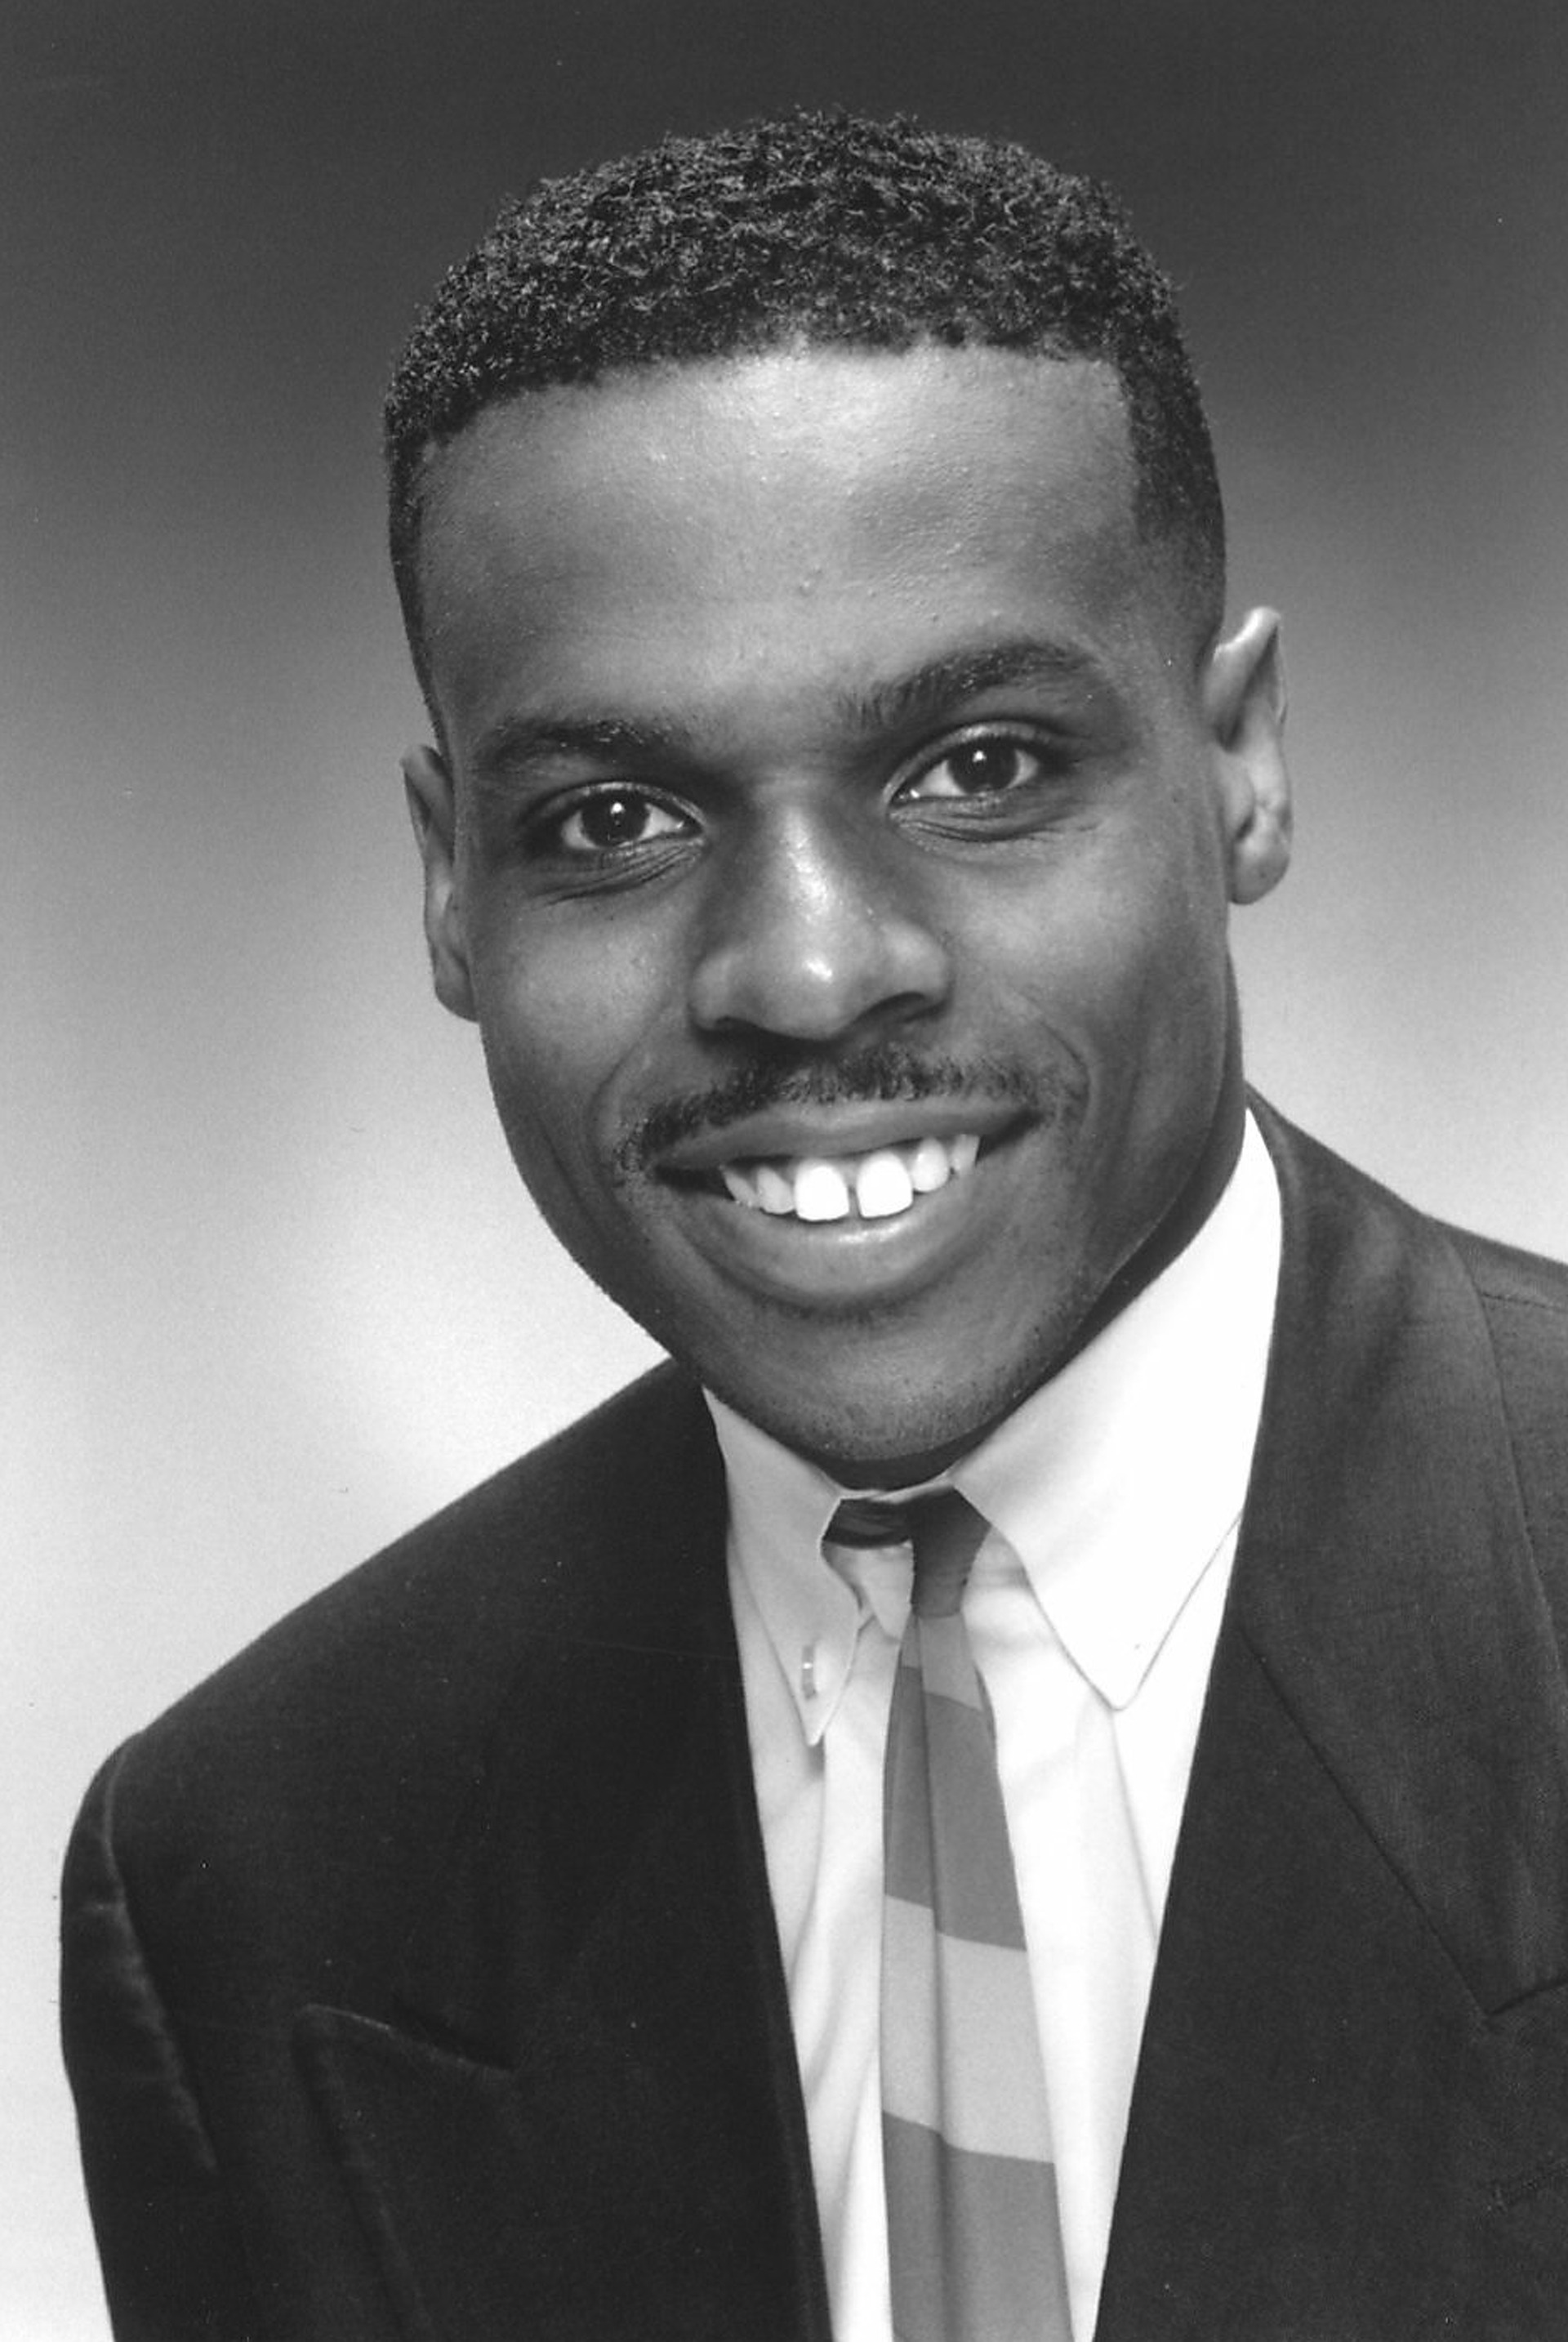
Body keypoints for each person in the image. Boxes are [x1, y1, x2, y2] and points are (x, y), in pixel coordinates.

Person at [60, 110, 1568, 2342]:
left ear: (1240, 759)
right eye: (615, 817)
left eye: (980, 767)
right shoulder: (252, 1876)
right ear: (451, 886)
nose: (803, 969)